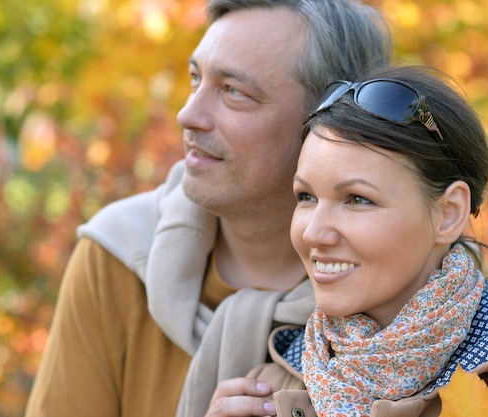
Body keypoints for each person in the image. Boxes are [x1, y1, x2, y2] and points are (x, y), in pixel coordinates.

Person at [23, 1, 394, 416]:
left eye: (233, 91)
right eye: (195, 79)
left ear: (328, 124)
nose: (188, 115)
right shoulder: (119, 254)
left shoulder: (421, 289)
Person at [206, 65, 488, 417]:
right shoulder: (267, 389)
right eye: (306, 196)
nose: (313, 232)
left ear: (448, 214)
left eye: (357, 199)